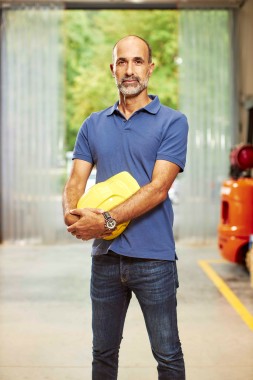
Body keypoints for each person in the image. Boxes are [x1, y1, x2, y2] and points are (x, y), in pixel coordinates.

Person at [63, 35, 189, 380]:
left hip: (155, 259)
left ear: (150, 67)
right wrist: (71, 214)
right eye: (122, 62)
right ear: (112, 69)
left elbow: (159, 188)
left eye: (137, 61)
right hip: (105, 259)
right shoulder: (93, 124)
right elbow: (75, 181)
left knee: (167, 354)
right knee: (102, 354)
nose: (129, 70)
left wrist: (103, 220)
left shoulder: (172, 122)